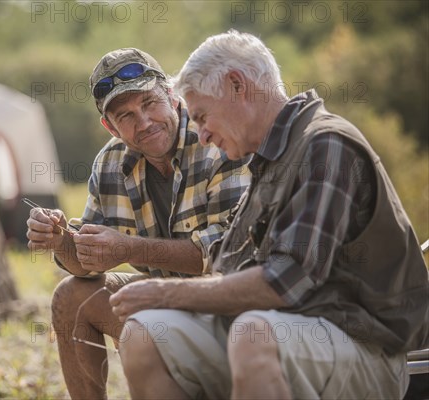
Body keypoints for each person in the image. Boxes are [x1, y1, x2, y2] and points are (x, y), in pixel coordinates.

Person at [109, 30, 429, 399]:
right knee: (144, 334)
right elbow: (226, 268)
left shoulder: (325, 145)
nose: (202, 134)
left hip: (366, 349)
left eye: (201, 116)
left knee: (253, 335)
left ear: (236, 86)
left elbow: (284, 282)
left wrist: (164, 293)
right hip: (283, 330)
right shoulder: (267, 160)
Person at [26, 48, 250, 399]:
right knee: (71, 295)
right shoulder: (110, 163)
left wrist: (130, 248)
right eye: (125, 115)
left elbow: (225, 252)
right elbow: (85, 265)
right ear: (109, 126)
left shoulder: (215, 140)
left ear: (172, 96)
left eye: (149, 104)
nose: (143, 122)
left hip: (231, 306)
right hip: (164, 298)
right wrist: (60, 242)